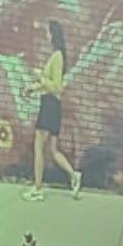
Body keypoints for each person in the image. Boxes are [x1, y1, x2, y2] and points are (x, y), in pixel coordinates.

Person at [27, 19, 82, 201]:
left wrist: (40, 77)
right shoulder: (57, 56)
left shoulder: (57, 56)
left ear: (53, 34)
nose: (46, 35)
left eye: (48, 31)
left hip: (49, 105)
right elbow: (49, 84)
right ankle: (74, 175)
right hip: (52, 105)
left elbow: (57, 86)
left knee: (38, 147)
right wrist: (32, 88)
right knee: (52, 149)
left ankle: (37, 189)